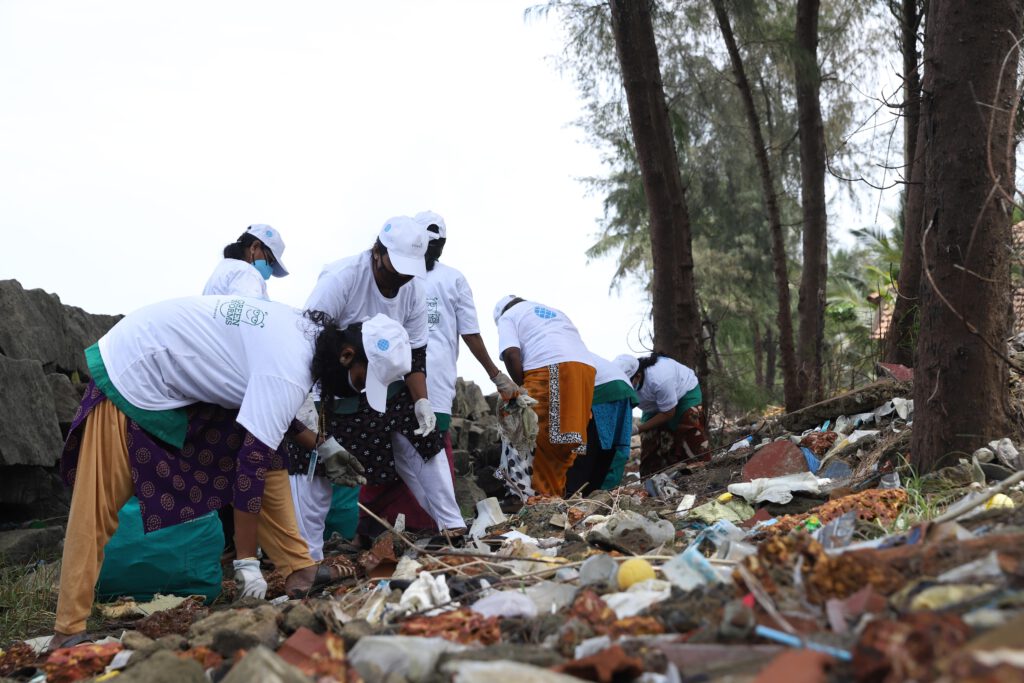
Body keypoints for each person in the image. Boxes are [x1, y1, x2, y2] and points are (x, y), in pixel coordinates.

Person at [49, 295, 394, 648]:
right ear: (347, 355)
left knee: (271, 452)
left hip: (171, 371)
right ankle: (68, 628)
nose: (360, 389)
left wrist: (322, 444)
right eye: (361, 380)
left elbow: (271, 411)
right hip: (134, 368)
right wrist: (246, 561)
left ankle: (298, 567)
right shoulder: (291, 364)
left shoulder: (304, 338)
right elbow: (250, 466)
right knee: (97, 505)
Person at [303, 216, 466, 542]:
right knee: (321, 464)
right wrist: (311, 411)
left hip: (387, 383)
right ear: (377, 252)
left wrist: (422, 401)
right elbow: (307, 342)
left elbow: (416, 354)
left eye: (407, 274)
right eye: (394, 271)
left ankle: (452, 526)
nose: (398, 281)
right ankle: (309, 553)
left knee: (425, 441)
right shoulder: (342, 279)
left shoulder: (413, 291)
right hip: (337, 386)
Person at [494, 295, 596, 497]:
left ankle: (524, 495)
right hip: (585, 371)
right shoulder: (554, 312)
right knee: (562, 440)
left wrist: (520, 390)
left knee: (522, 427)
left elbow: (510, 353)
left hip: (549, 367)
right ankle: (552, 494)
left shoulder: (508, 317)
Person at [614, 352, 709, 476]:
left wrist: (638, 429)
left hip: (684, 394)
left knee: (690, 429)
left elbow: (668, 414)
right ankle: (651, 481)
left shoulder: (660, 378)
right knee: (650, 442)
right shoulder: (619, 382)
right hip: (653, 406)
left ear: (637, 376)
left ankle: (701, 473)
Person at [565, 353, 638, 495]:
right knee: (605, 448)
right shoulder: (574, 349)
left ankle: (572, 494)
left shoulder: (553, 354)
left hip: (600, 389)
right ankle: (592, 493)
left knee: (582, 448)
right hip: (624, 389)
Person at [203, 224, 289, 300]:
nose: (270, 268)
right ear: (254, 247)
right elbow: (249, 312)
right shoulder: (247, 272)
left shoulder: (225, 267)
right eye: (270, 260)